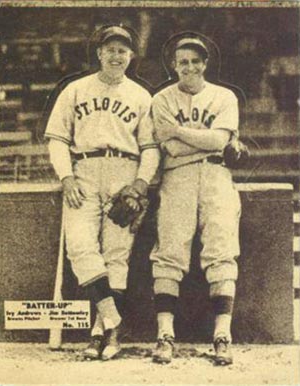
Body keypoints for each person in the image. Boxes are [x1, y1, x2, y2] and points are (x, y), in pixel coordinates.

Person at [45, 25, 160, 361]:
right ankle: (113, 322)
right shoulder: (75, 89)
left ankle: (101, 334)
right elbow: (57, 139)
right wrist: (66, 177)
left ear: (131, 56)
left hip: (124, 171)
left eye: (123, 50)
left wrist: (139, 185)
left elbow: (150, 147)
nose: (116, 55)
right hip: (84, 171)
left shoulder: (141, 96)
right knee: (80, 247)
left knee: (116, 253)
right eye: (109, 49)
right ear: (98, 53)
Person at [150, 33, 241, 365]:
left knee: (221, 249)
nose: (189, 67)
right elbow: (169, 147)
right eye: (182, 61)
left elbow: (220, 139)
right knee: (170, 252)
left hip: (217, 176)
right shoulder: (161, 99)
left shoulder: (224, 96)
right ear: (174, 65)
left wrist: (179, 131)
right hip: (177, 177)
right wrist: (206, 141)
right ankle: (164, 335)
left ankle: (222, 336)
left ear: (205, 63)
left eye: (195, 61)